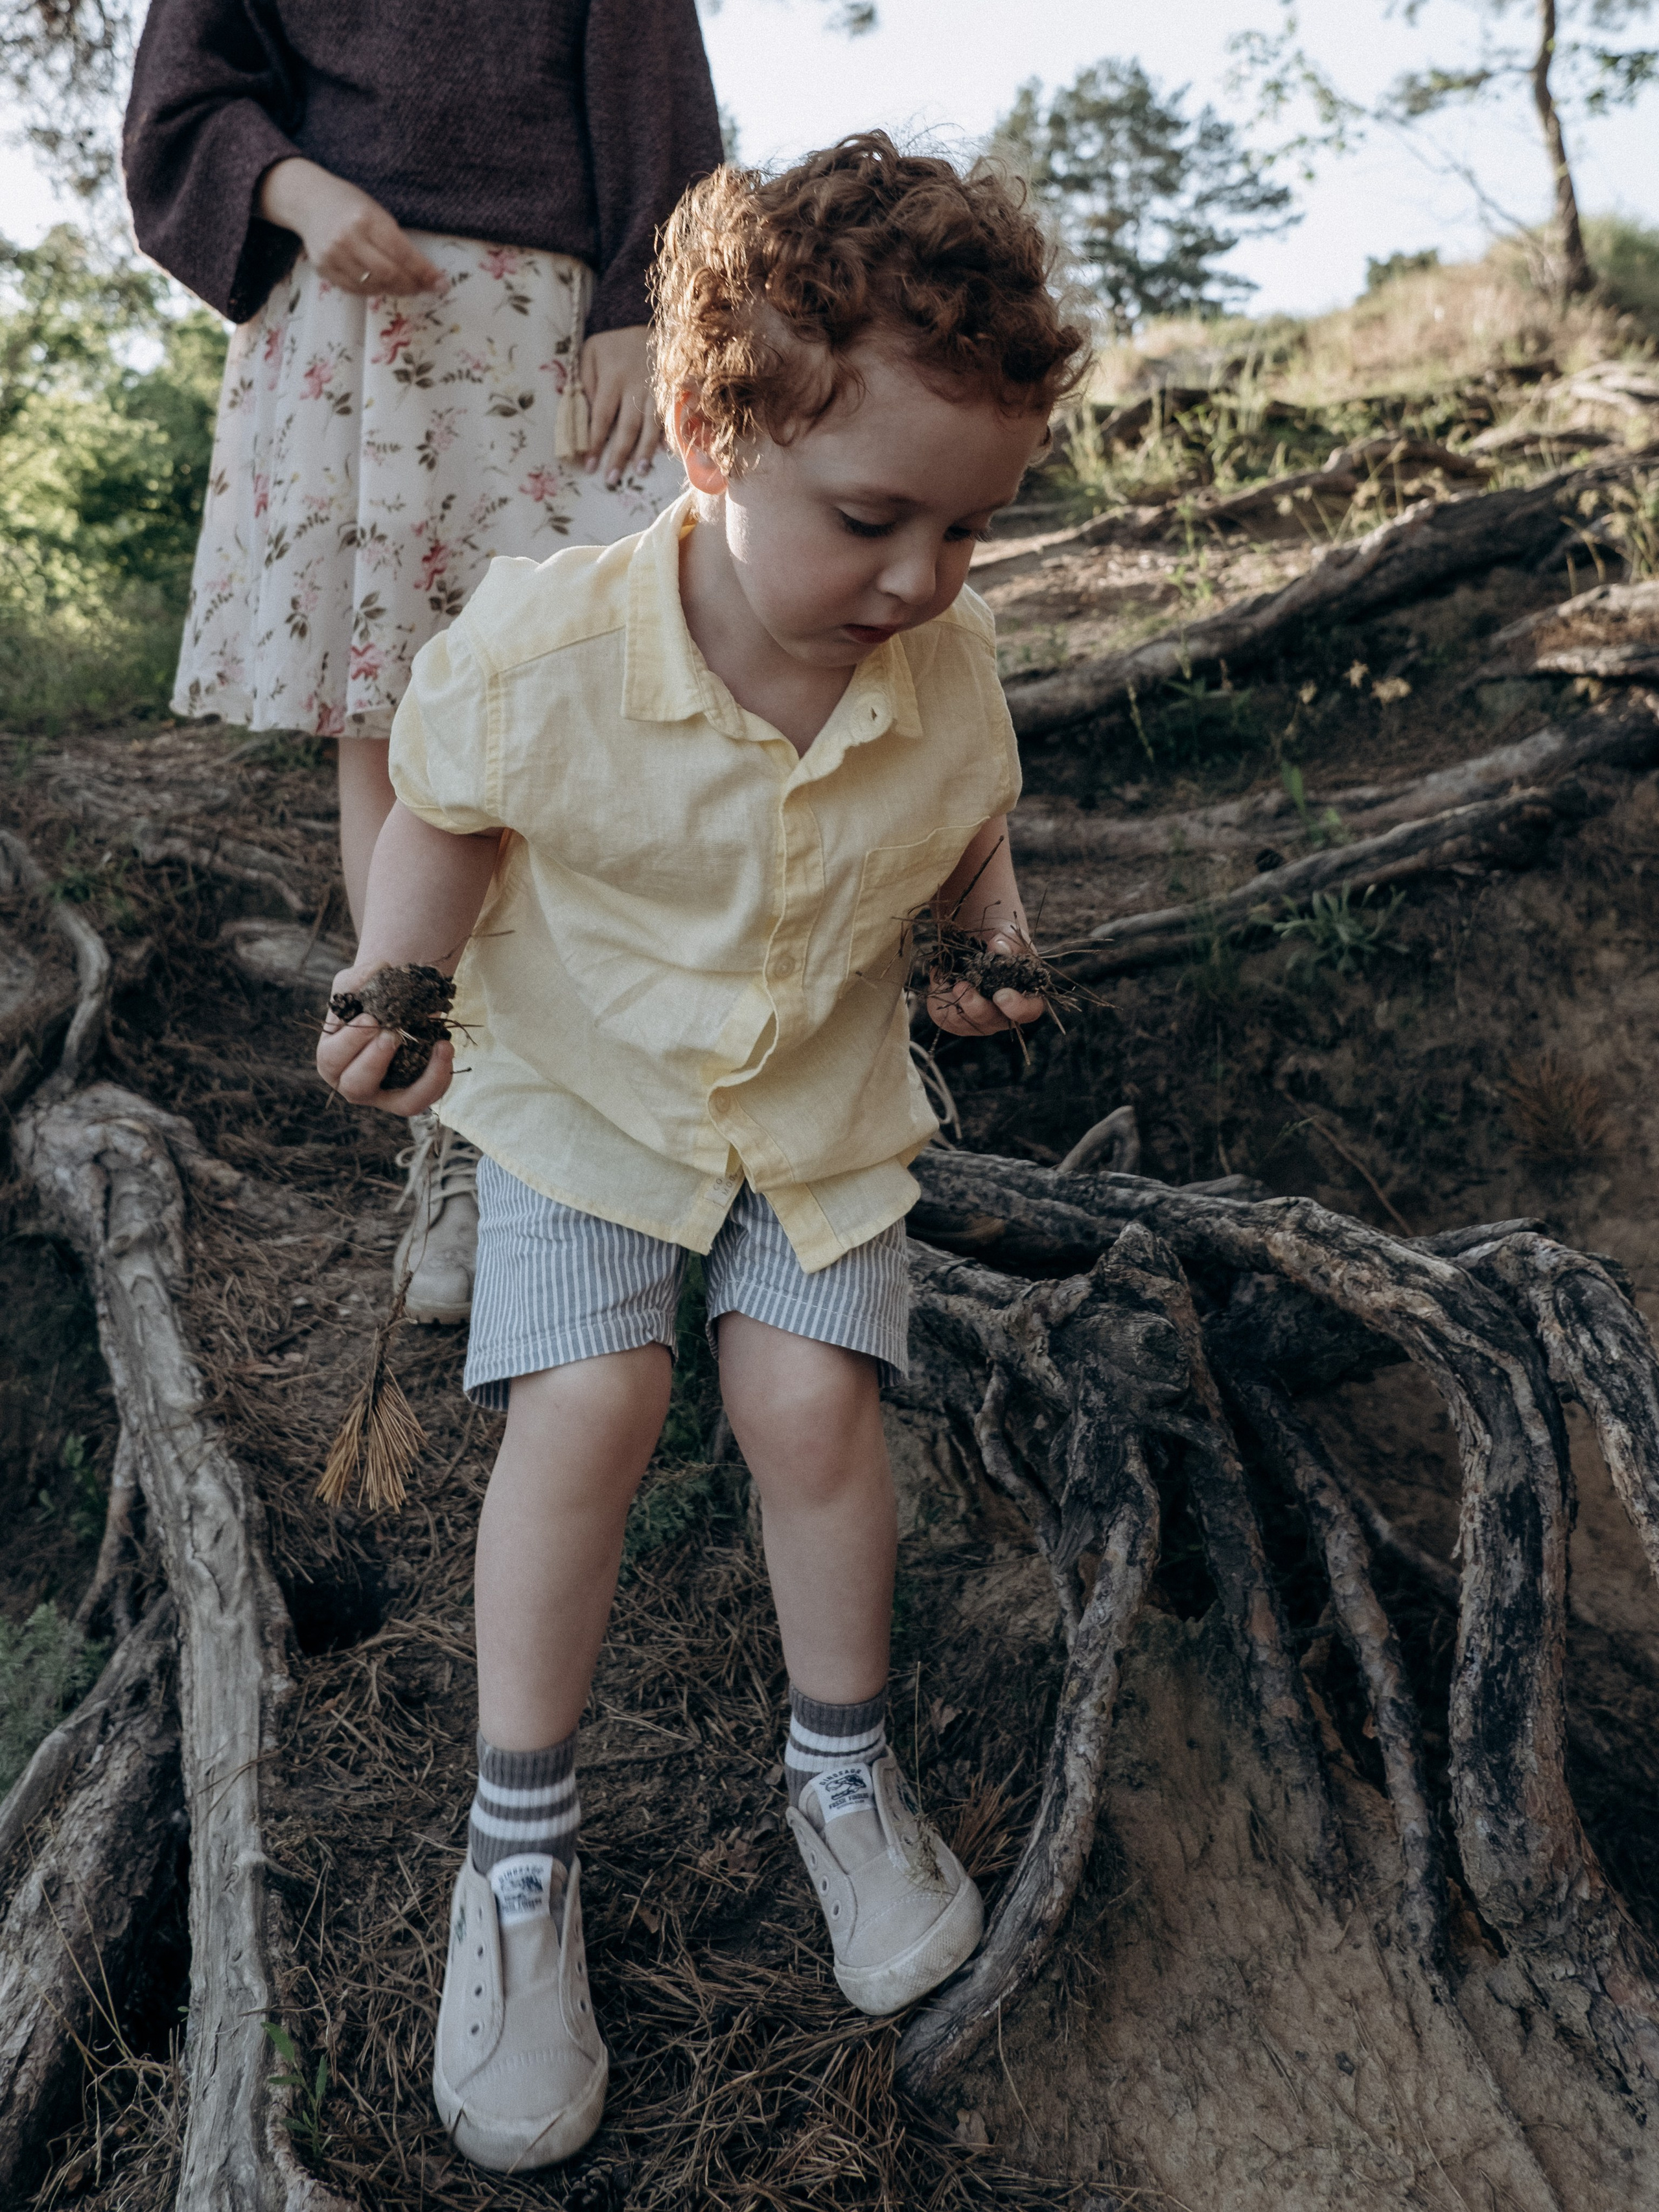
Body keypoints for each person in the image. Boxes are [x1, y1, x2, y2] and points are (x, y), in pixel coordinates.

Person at [318, 133, 1087, 2172]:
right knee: (591, 1393)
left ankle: (839, 1773)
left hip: (820, 1084)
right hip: (590, 1083)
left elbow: (969, 810)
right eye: (871, 518)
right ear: (704, 430)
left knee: (812, 1395)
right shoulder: (552, 646)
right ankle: (519, 1850)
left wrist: (984, 947)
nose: (921, 577)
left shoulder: (943, 658)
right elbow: (448, 808)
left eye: (967, 531)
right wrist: (401, 975)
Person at [122, 0, 725, 1321]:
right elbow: (177, 100)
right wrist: (296, 189)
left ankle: (642, 1108)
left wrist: (645, 306)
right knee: (397, 735)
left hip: (563, 329)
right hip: (352, 324)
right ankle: (455, 1140)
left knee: (602, 707)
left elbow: (657, 84)